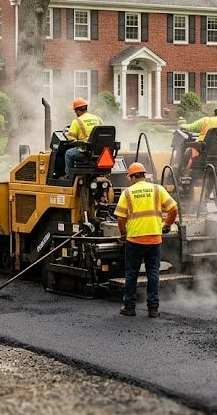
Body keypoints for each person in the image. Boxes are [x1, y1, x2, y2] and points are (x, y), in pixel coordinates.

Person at [114, 162, 178, 318]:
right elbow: (173, 208)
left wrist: (123, 235)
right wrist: (167, 225)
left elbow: (121, 219)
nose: (129, 180)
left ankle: (129, 307)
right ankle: (153, 309)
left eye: (130, 177)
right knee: (153, 274)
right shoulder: (157, 189)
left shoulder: (127, 193)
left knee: (132, 274)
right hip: (154, 240)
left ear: (134, 176)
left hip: (134, 240)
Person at [63, 98, 103, 179]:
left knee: (68, 153)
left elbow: (71, 139)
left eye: (75, 111)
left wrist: (68, 135)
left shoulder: (77, 121)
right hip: (99, 151)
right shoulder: (98, 119)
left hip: (85, 152)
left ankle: (68, 176)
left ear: (77, 110)